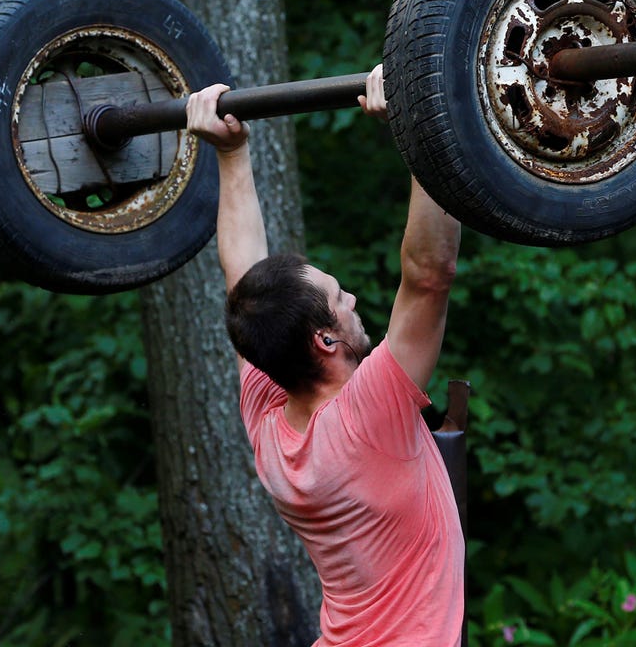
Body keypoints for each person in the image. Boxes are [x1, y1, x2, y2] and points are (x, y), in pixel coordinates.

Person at [185, 64, 465, 646]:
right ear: (325, 341)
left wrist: (231, 156)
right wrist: (427, 131)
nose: (354, 299)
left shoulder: (270, 415)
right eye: (340, 300)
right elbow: (428, 276)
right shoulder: (371, 413)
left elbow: (244, 277)